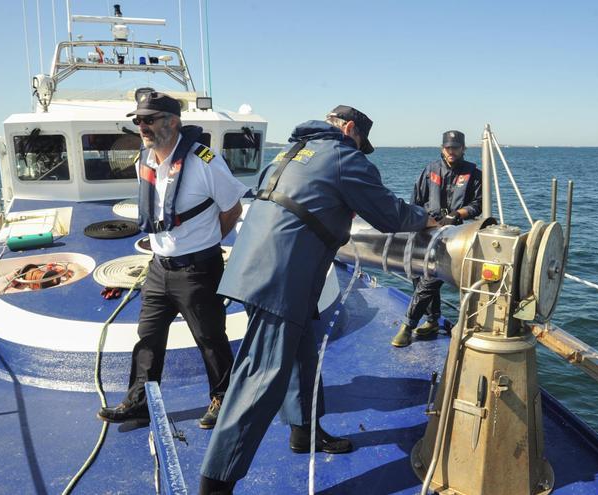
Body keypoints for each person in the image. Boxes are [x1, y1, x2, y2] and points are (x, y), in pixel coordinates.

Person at [198, 105, 437, 494]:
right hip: (281, 277)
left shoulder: (290, 151)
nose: (360, 148)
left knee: (302, 353)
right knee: (259, 381)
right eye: (360, 140)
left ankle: (305, 432)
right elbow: (391, 216)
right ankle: (215, 484)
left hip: (256, 266)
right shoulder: (344, 156)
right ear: (348, 129)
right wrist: (427, 218)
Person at [96, 91, 247, 430]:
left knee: (210, 338)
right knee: (147, 337)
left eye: (148, 119)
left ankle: (223, 398)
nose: (141, 126)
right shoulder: (143, 161)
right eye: (138, 120)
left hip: (197, 268)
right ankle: (139, 403)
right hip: (158, 267)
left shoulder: (204, 161)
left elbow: (232, 208)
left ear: (172, 122)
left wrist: (206, 244)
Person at [391, 130, 482, 347]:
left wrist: (457, 214)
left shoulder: (473, 173)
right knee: (416, 272)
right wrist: (419, 221)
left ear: (463, 149)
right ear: (443, 148)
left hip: (452, 235)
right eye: (448, 148)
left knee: (429, 280)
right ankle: (432, 320)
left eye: (456, 148)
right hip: (426, 229)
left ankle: (407, 325)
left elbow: (478, 204)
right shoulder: (430, 169)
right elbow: (417, 199)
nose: (452, 151)